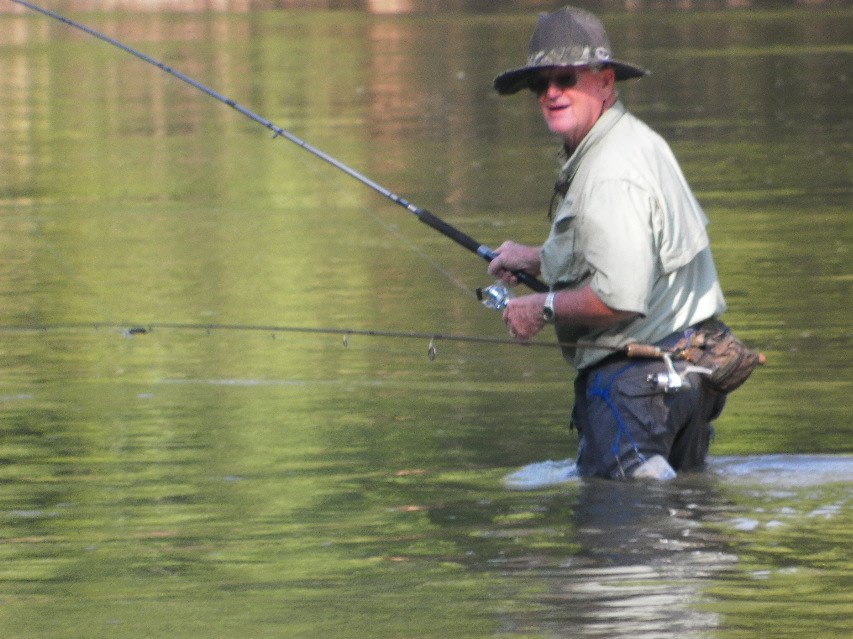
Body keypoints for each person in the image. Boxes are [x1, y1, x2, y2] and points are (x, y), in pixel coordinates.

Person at [488, 6, 730, 480]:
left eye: (566, 77)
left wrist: (542, 306)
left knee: (625, 523)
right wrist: (538, 257)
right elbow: (636, 253)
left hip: (635, 381)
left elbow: (620, 297)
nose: (552, 92)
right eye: (541, 83)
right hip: (694, 370)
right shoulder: (634, 142)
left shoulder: (608, 173)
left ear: (605, 81)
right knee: (684, 523)